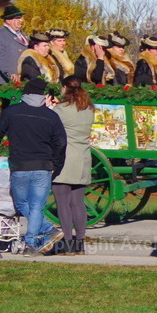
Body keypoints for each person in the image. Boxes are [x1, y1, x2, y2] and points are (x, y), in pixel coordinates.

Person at [0, 77, 67, 255]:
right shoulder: (51, 116)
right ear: (43, 96)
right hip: (43, 166)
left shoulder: (12, 112)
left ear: (25, 94)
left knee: (22, 204)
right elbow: (61, 143)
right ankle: (33, 244)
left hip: (19, 166)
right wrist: (56, 165)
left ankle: (43, 234)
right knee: (36, 206)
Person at [50, 77, 95, 255]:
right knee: (77, 202)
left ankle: (68, 242)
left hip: (65, 157)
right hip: (83, 157)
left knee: (63, 203)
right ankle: (80, 243)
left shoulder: (61, 109)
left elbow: (52, 129)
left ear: (64, 88)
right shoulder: (89, 108)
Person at [0, 0, 27, 86]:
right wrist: (11, 75)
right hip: (7, 81)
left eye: (20, 18)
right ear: (8, 20)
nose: (21, 21)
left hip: (23, 78)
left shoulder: (21, 33)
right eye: (17, 18)